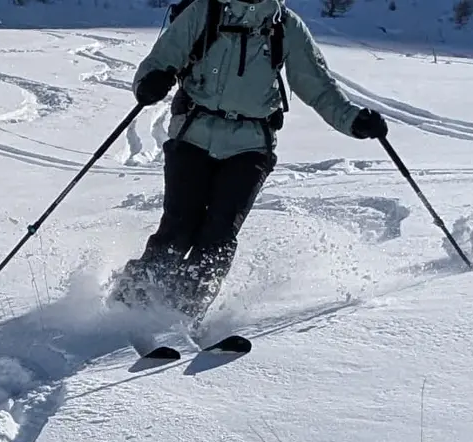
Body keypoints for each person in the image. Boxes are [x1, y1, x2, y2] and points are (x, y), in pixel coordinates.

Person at [114, 0, 388, 318]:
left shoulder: (285, 26)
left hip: (251, 146)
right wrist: (150, 83)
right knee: (179, 227)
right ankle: (132, 298)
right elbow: (160, 59)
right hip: (192, 135)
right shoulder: (204, 11)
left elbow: (318, 87)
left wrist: (354, 120)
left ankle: (182, 311)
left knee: (219, 236)